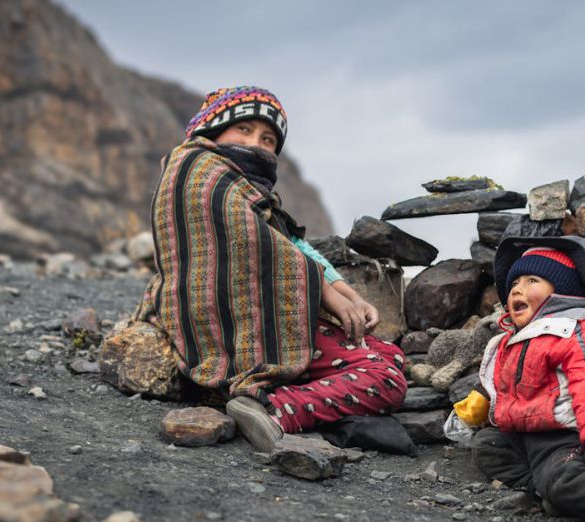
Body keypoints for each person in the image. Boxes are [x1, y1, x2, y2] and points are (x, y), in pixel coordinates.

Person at [134, 86, 407, 452]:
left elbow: (290, 246)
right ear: (214, 130)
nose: (257, 144)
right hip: (222, 320)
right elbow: (255, 245)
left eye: (268, 139)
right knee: (384, 376)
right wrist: (328, 296)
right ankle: (272, 410)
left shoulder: (252, 192)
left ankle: (291, 396)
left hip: (264, 313)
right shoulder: (196, 169)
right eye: (243, 130)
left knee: (388, 354)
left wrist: (349, 294)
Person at [453, 236, 585, 521]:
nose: (517, 291)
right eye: (513, 284)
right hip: (529, 437)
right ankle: (546, 491)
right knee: (488, 446)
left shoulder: (583, 330)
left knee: (565, 480)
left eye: (531, 281)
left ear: (564, 289)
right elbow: (501, 383)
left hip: (576, 439)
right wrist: (479, 404)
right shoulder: (516, 339)